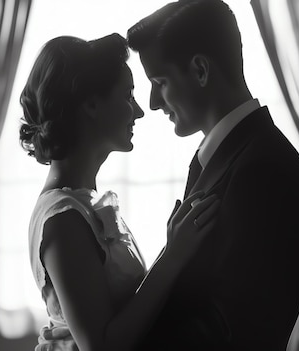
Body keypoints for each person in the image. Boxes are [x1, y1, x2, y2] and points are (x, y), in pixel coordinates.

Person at [127, 0, 299, 349]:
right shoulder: (221, 158)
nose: (154, 102)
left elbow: (236, 333)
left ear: (200, 70)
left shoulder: (264, 170)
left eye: (160, 81)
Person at [19, 33, 220, 351]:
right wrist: (173, 256)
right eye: (128, 96)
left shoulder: (83, 204)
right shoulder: (64, 219)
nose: (139, 111)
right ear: (91, 104)